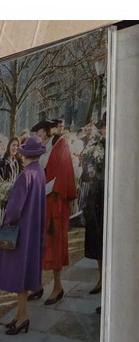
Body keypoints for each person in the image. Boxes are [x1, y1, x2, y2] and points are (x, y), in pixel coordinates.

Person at [0, 136, 47, 334]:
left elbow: (14, 209)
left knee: (18, 274)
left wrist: (6, 221)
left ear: (25, 155)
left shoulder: (25, 175)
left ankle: (22, 317)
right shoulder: (39, 172)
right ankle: (19, 315)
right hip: (33, 229)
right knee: (24, 272)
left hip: (21, 230)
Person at [31, 119, 77, 305]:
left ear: (48, 131)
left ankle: (58, 287)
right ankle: (38, 285)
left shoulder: (61, 144)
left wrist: (39, 190)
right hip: (44, 201)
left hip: (56, 201)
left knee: (55, 243)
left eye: (40, 133)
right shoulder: (43, 149)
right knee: (40, 244)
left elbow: (62, 176)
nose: (38, 137)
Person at [81, 117, 106, 295]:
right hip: (96, 198)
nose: (104, 129)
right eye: (103, 127)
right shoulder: (96, 145)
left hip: (109, 196)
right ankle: (101, 280)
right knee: (97, 241)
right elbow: (86, 175)